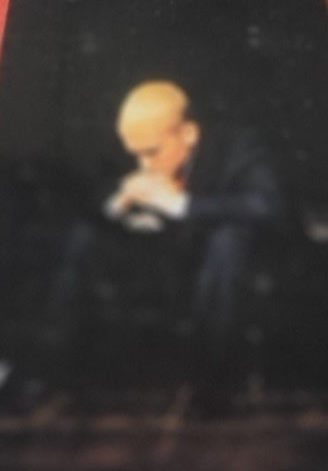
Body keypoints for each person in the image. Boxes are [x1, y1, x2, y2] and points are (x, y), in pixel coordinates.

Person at [30, 79, 291, 408]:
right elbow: (99, 198)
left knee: (229, 240)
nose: (144, 165)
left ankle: (211, 382)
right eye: (136, 154)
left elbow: (266, 205)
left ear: (189, 134)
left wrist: (179, 205)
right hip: (163, 258)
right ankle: (47, 375)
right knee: (83, 238)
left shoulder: (238, 148)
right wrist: (121, 205)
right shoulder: (141, 145)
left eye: (153, 152)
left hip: (220, 261)